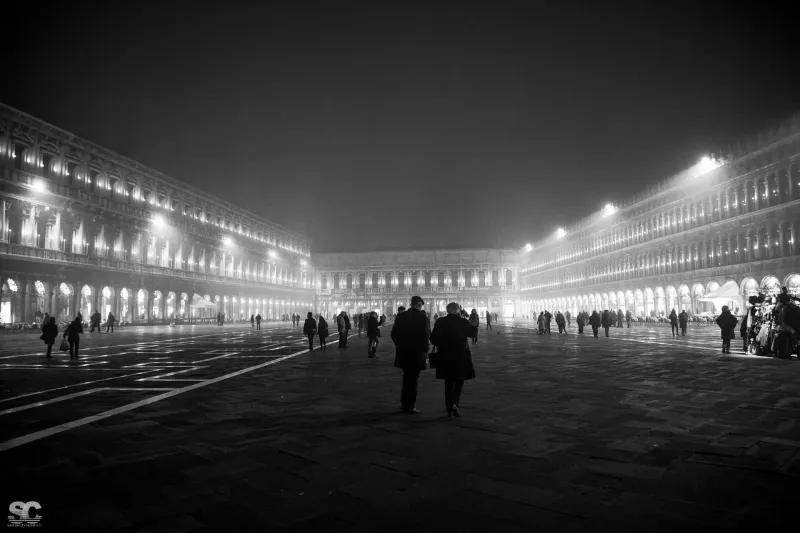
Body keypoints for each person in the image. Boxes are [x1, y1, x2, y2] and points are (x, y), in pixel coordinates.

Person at [431, 302, 476, 418]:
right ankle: (455, 403)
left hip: (445, 356)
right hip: (460, 356)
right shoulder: (462, 321)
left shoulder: (441, 321)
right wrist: (467, 319)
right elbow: (472, 333)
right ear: (458, 310)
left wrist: (442, 345)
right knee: (459, 380)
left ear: (447, 310)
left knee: (449, 382)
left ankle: (449, 407)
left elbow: (433, 339)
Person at [391, 295, 430, 414]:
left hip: (404, 352)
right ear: (419, 305)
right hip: (417, 354)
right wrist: (425, 351)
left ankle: (404, 404)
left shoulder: (401, 316)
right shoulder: (423, 318)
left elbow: (394, 334)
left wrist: (400, 345)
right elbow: (426, 336)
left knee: (406, 378)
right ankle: (410, 406)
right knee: (413, 380)